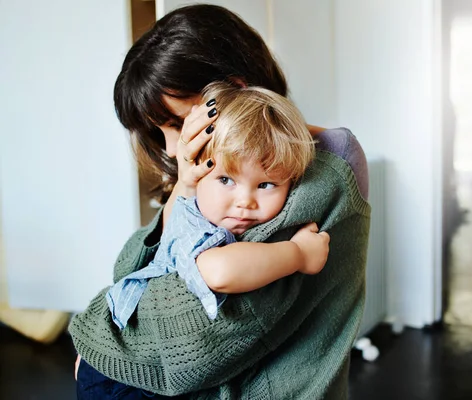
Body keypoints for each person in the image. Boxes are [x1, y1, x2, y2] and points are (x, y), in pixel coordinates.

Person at [69, 4, 370, 399]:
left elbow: (208, 330)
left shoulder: (321, 166)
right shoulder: (207, 173)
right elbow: (130, 268)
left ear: (237, 92)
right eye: (159, 131)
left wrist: (96, 335)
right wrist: (184, 184)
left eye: (177, 123)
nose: (174, 147)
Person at [105, 81, 329, 331]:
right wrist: (299, 254)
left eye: (266, 185)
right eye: (225, 180)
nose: (245, 202)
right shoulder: (194, 223)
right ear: (198, 174)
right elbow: (220, 271)